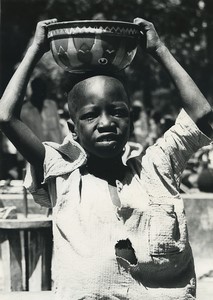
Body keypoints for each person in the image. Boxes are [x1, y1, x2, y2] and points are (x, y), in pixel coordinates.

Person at [0, 17, 213, 300]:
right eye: (90, 115)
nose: (106, 123)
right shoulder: (63, 174)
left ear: (130, 118)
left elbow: (201, 115)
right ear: (72, 128)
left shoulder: (155, 168)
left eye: (117, 111)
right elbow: (6, 117)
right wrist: (36, 49)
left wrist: (159, 49)